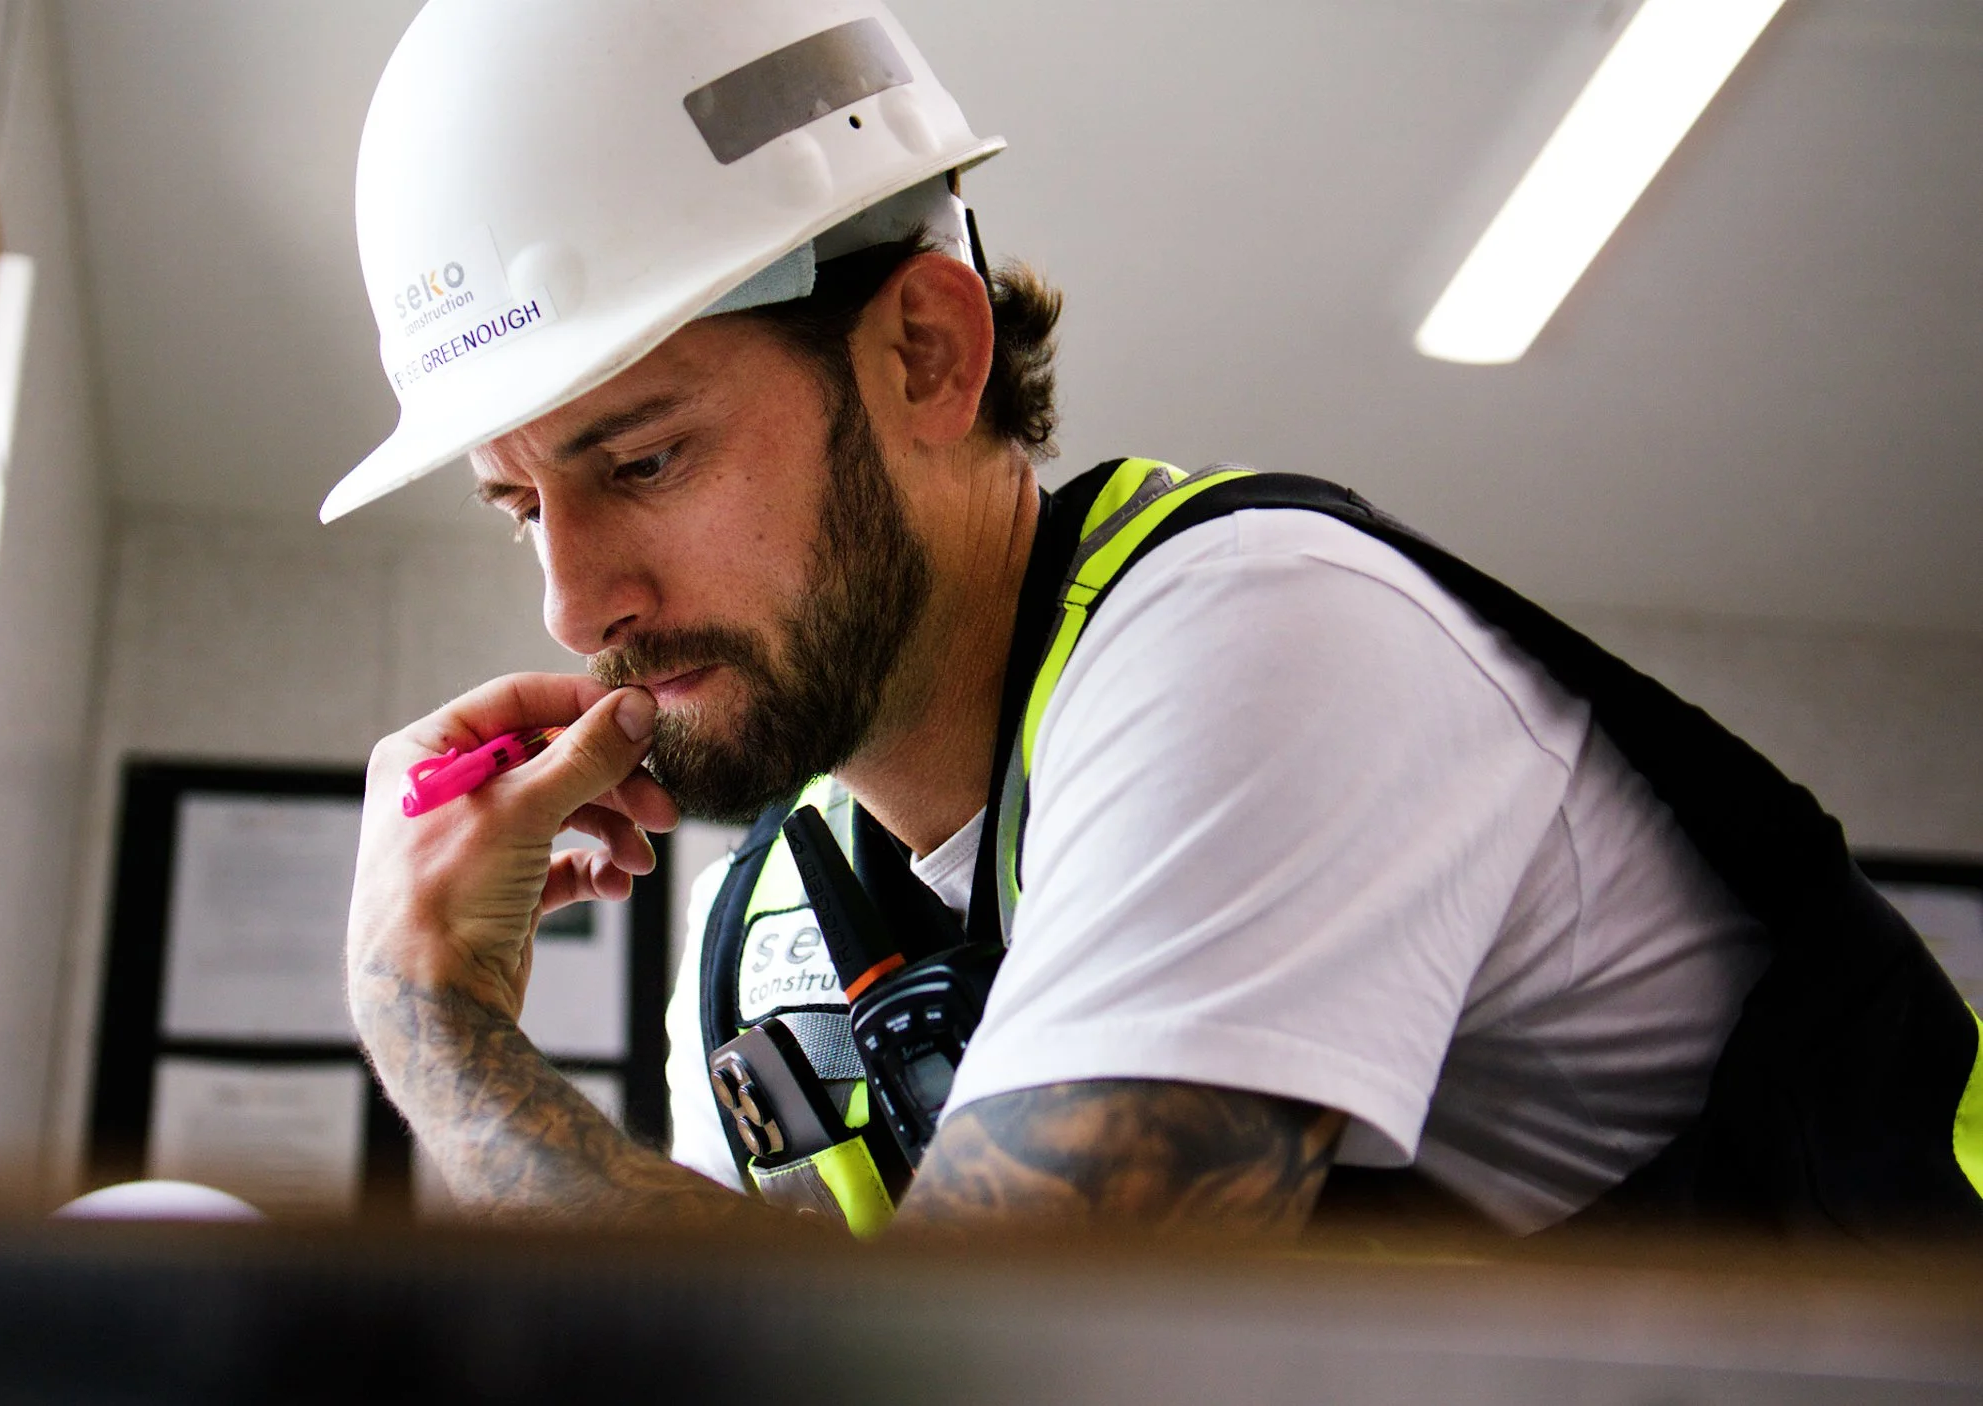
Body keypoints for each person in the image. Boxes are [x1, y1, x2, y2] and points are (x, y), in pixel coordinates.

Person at [329, 0, 1983, 1240]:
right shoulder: (779, 923)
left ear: (925, 352)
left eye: (646, 457)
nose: (572, 594)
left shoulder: (1254, 642)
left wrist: (442, 1034)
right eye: (521, 500)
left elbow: (1009, 1373)